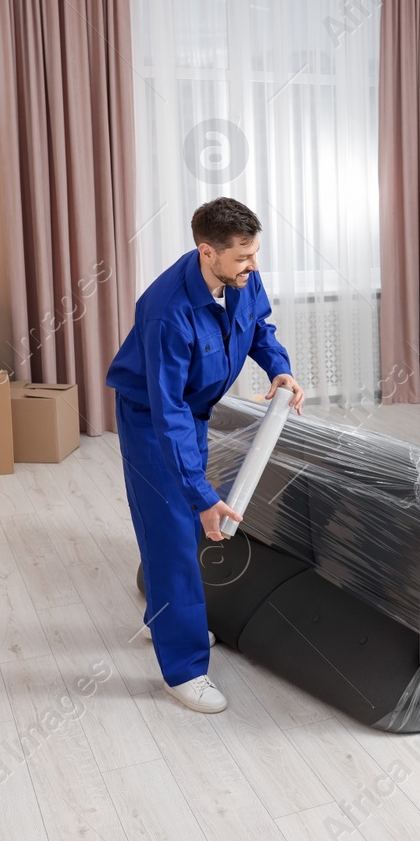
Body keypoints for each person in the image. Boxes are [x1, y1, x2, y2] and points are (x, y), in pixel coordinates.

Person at [107, 197, 305, 713]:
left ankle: (165, 619)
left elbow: (260, 328)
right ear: (206, 252)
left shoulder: (241, 278)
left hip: (193, 412)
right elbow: (167, 410)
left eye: (255, 254)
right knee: (174, 532)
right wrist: (202, 494)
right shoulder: (166, 311)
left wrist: (278, 368)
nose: (253, 266)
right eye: (242, 257)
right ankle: (185, 670)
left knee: (188, 530)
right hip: (153, 419)